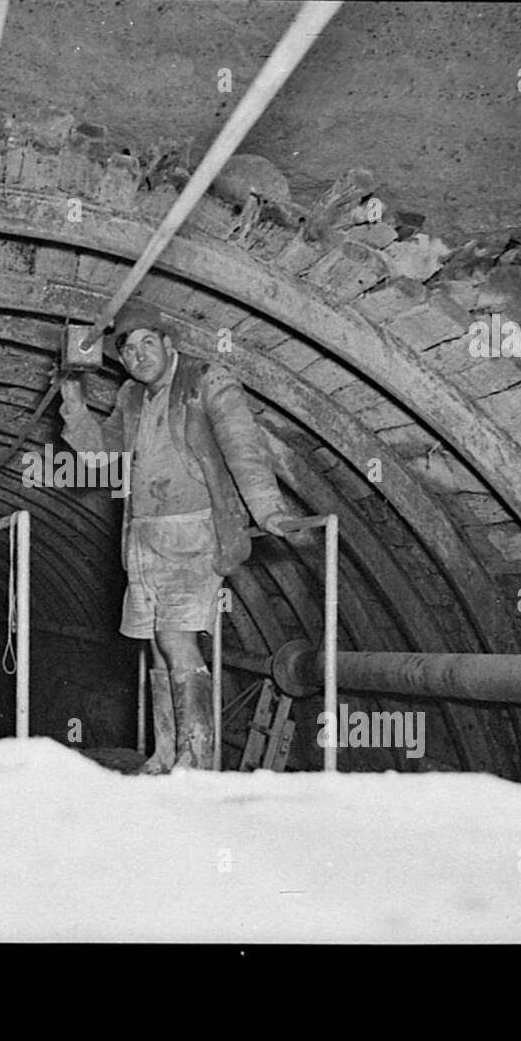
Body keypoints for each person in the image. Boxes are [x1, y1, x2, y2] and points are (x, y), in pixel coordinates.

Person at [59, 299, 306, 771]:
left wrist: (269, 509)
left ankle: (194, 761)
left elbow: (242, 446)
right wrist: (76, 413)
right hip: (142, 538)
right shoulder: (131, 397)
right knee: (155, 644)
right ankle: (166, 752)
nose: (138, 357)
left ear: (169, 343)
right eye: (128, 351)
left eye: (147, 344)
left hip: (193, 533)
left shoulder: (205, 379)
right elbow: (104, 459)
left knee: (175, 639)